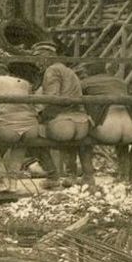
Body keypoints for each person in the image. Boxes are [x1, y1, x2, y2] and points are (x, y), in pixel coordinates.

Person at [75, 62, 132, 182]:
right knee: (122, 143)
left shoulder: (85, 83)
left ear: (88, 72)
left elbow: (75, 100)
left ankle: (88, 176)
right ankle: (124, 175)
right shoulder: (120, 82)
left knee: (82, 133)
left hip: (108, 127)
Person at [31, 41, 89, 180]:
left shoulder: (52, 70)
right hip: (81, 123)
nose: (36, 63)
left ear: (46, 56)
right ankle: (71, 175)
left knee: (30, 135)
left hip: (63, 122)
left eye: (37, 58)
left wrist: (38, 114)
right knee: (70, 141)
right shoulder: (69, 71)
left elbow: (52, 98)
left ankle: (52, 176)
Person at [0, 61, 40, 191]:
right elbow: (32, 106)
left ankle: (2, 179)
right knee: (21, 145)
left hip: (7, 129)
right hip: (31, 128)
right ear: (7, 73)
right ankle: (13, 182)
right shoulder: (24, 83)